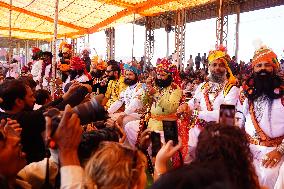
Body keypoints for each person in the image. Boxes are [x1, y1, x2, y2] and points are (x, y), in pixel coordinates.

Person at [177, 45, 239, 159]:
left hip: (218, 134)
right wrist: (186, 105)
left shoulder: (232, 89)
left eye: (221, 65)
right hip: (198, 128)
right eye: (214, 65)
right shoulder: (203, 86)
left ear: (226, 68)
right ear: (209, 67)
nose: (217, 68)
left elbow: (225, 117)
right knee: (185, 155)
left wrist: (196, 114)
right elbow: (194, 101)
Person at [236, 46, 284, 189]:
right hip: (247, 148)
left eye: (267, 65)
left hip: (275, 150)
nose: (263, 69)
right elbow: (239, 117)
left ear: (274, 68)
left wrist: (279, 151)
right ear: (254, 69)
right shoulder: (245, 92)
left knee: (268, 175)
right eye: (259, 65)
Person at [124, 58, 182, 147]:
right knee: (129, 127)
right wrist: (147, 88)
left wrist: (156, 94)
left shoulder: (175, 88)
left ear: (170, 75)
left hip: (165, 125)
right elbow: (144, 101)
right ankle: (141, 154)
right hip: (151, 122)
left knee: (156, 150)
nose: (159, 77)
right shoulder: (156, 86)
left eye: (163, 75)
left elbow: (171, 107)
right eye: (158, 74)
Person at [108, 61, 144, 128]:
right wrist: (108, 111)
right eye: (126, 75)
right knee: (109, 117)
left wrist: (123, 115)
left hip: (137, 115)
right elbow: (119, 101)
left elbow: (134, 105)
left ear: (136, 76)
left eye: (130, 75)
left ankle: (123, 138)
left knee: (122, 121)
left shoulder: (140, 88)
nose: (127, 77)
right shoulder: (127, 89)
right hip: (127, 113)